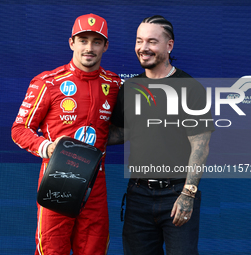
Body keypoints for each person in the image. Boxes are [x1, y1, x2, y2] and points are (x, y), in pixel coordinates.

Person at [11, 13, 121, 255]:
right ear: (72, 43)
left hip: (95, 184)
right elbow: (19, 129)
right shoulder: (48, 82)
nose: (89, 48)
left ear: (106, 46)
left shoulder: (114, 85)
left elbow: (119, 130)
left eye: (96, 41)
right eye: (83, 40)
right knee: (52, 251)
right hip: (57, 178)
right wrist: (49, 148)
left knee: (94, 251)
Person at [109, 15, 215, 255]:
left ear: (169, 45)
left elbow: (201, 145)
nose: (143, 48)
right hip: (137, 195)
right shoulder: (130, 87)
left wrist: (188, 194)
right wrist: (77, 135)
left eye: (152, 41)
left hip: (177, 194)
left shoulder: (189, 87)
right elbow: (121, 133)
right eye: (139, 41)